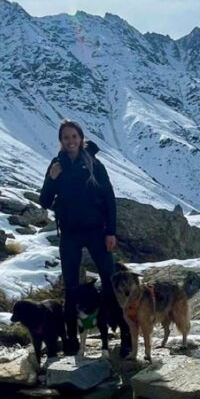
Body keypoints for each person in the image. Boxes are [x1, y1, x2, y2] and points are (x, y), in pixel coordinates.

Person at [38, 119, 132, 357]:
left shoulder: (94, 164)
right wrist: (52, 178)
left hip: (96, 231)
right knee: (70, 288)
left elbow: (109, 199)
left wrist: (111, 231)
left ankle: (125, 335)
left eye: (74, 137)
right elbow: (45, 201)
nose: (70, 141)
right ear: (60, 141)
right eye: (65, 137)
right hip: (69, 234)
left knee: (110, 282)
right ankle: (71, 340)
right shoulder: (56, 165)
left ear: (81, 139)